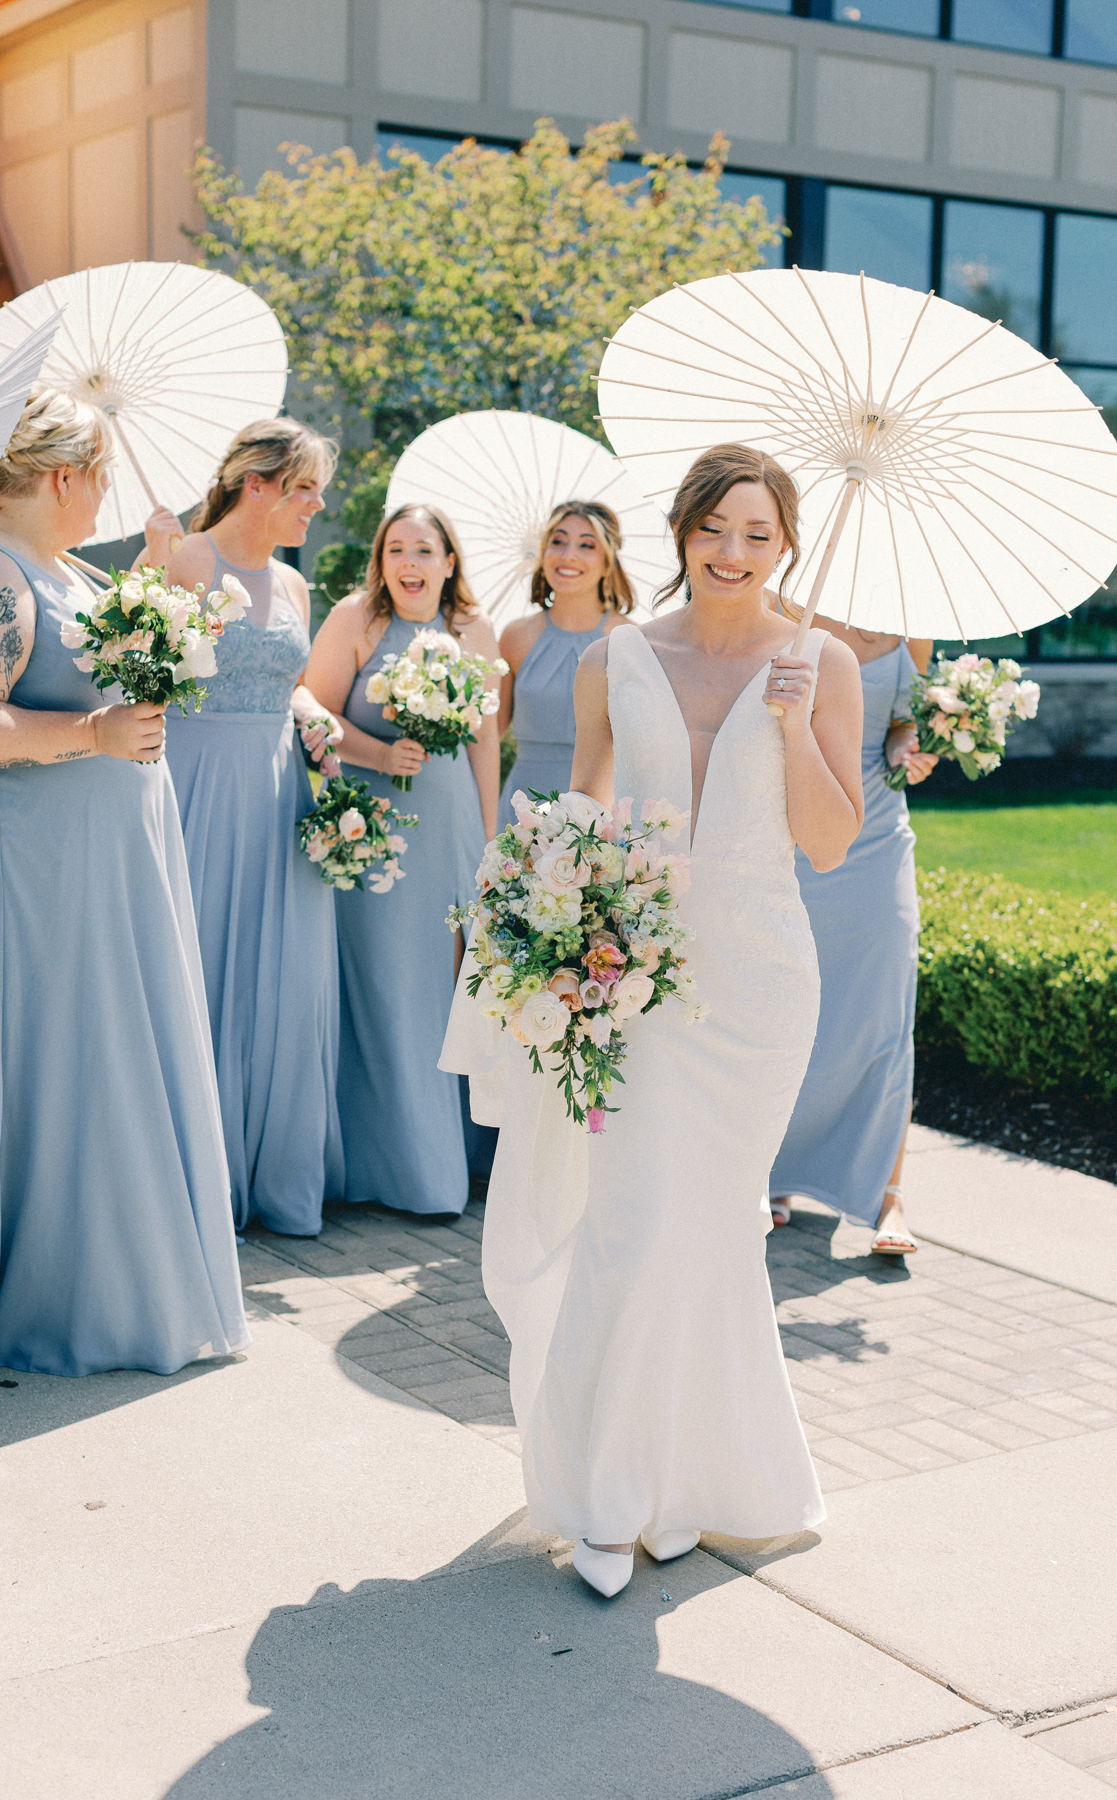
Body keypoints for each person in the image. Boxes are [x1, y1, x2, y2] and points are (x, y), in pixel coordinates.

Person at [447, 445, 864, 1598]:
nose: (734, 555)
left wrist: (788, 729)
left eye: (759, 535)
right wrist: (539, 921)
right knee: (631, 1223)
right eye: (714, 530)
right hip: (629, 977)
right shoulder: (617, 656)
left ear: (785, 544)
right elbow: (582, 804)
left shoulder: (820, 663)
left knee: (712, 1231)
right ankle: (604, 1498)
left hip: (759, 986)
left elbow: (828, 841)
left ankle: (686, 1486)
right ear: (679, 535)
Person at [0, 386, 248, 1384]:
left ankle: (89, 1270)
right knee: (28, 1055)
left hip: (82, 877)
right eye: (101, 473)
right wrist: (92, 737)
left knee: (83, 1055)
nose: (106, 491)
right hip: (15, 877)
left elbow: (87, 656)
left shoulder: (53, 562)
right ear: (63, 476)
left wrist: (156, 590)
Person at [141, 419, 345, 1237]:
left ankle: (271, 1175)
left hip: (276, 791)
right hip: (195, 784)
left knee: (282, 980)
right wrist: (151, 569)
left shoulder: (294, 586)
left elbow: (286, 684)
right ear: (255, 483)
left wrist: (315, 713)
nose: (316, 504)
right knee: (205, 964)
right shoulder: (188, 560)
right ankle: (195, 1177)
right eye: (304, 488)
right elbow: (139, 663)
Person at [304, 504, 501, 1217]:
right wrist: (379, 752)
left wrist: (488, 841)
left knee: (450, 987)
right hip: (380, 832)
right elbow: (310, 706)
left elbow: (486, 743)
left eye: (425, 549)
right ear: (380, 560)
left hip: (450, 829)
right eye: (396, 549)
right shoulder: (358, 620)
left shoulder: (474, 631)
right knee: (392, 985)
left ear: (451, 561)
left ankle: (460, 1153)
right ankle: (400, 1169)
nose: (410, 563)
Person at [769, 619, 936, 1256]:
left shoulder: (914, 631)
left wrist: (907, 747)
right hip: (797, 834)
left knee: (885, 1014)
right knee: (788, 1007)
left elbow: (901, 722)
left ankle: (889, 1196)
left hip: (879, 839)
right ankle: (775, 1171)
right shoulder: (790, 614)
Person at [497, 501, 634, 823]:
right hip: (522, 806)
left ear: (606, 563)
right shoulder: (515, 637)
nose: (568, 554)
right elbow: (489, 736)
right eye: (557, 541)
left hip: (602, 810)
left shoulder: (631, 640)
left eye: (587, 545)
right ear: (543, 554)